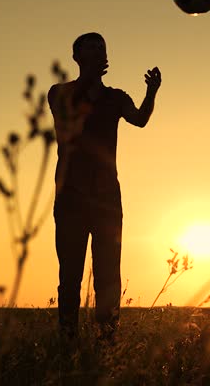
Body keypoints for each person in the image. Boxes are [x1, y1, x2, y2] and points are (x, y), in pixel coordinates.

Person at [48, 32, 161, 341]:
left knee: (108, 275)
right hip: (70, 196)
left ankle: (107, 337)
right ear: (76, 56)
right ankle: (67, 338)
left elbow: (139, 119)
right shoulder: (60, 92)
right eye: (90, 45)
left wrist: (151, 93)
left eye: (101, 46)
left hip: (107, 199)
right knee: (70, 275)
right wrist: (89, 78)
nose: (98, 48)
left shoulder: (116, 97)